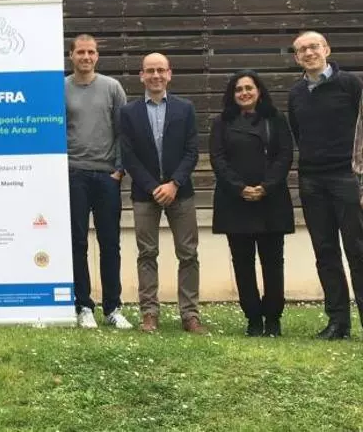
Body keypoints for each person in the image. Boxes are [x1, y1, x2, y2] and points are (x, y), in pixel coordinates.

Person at [120, 53, 205, 334]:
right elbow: (128, 156)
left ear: (169, 74)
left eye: (160, 70)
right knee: (147, 253)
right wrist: (152, 186)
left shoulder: (185, 108)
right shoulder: (129, 112)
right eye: (149, 71)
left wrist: (174, 183)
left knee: (188, 254)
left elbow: (192, 151)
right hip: (145, 194)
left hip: (181, 192)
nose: (155, 75)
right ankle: (149, 313)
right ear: (141, 76)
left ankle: (190, 315)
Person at [290, 31, 363, 340]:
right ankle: (338, 322)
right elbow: (298, 133)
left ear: (327, 50)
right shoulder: (296, 93)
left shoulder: (350, 85)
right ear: (297, 58)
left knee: (357, 250)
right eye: (302, 50)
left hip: (346, 177)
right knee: (325, 252)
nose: (309, 53)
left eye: (314, 47)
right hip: (312, 181)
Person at [210, 70, 294, 337]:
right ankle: (253, 318)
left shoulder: (276, 119)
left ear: (259, 91)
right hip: (235, 202)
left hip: (271, 200)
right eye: (238, 89)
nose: (244, 93)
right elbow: (218, 159)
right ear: (232, 94)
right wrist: (240, 188)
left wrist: (265, 187)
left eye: (249, 88)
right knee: (242, 263)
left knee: (273, 263)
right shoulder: (222, 122)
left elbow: (285, 156)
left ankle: (273, 318)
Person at [64, 34, 131, 330]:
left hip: (107, 176)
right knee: (77, 243)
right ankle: (83, 306)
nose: (86, 57)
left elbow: (124, 131)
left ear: (97, 56)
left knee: (110, 243)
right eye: (81, 52)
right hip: (74, 174)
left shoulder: (112, 87)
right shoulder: (61, 88)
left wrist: (119, 170)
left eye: (91, 52)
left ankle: (113, 307)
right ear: (71, 55)